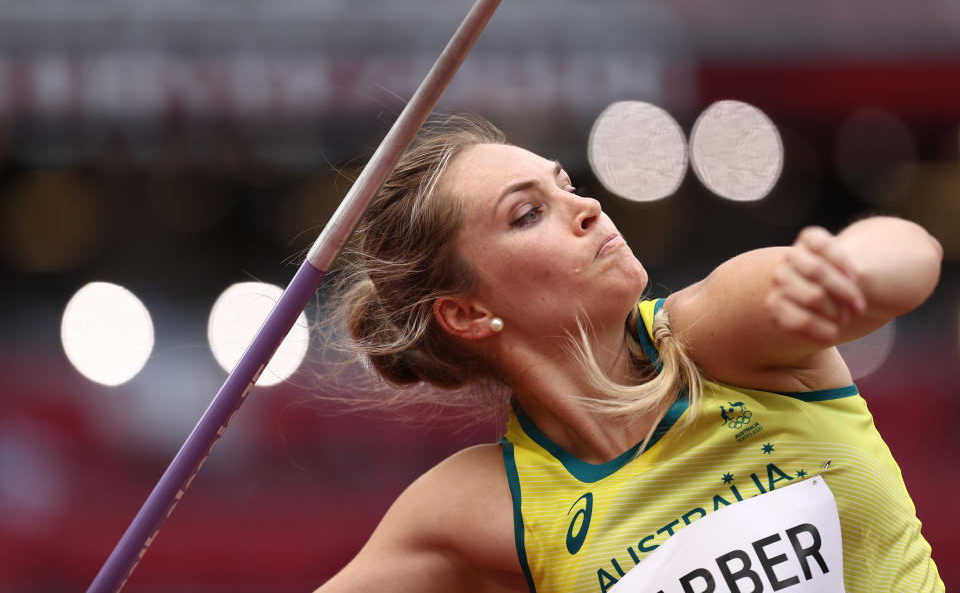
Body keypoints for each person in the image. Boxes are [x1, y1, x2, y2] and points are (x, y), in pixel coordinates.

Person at [316, 115, 944, 592]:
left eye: (567, 186)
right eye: (530, 214)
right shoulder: (480, 507)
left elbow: (909, 251)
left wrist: (853, 266)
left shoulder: (720, 334)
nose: (586, 207)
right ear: (467, 313)